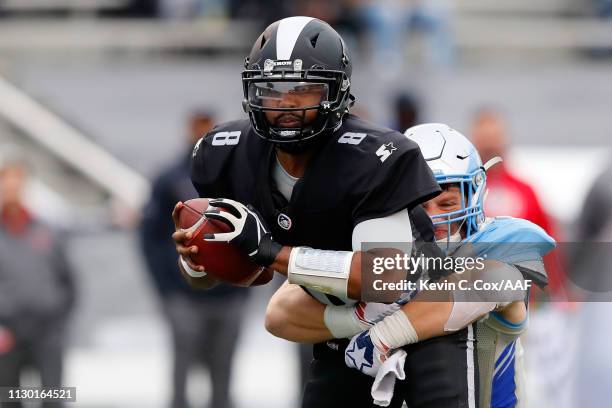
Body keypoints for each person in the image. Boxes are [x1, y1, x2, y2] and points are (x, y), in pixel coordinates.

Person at [172, 17, 477, 408]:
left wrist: (271, 252)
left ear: (337, 91)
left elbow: (382, 278)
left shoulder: (374, 156)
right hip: (340, 340)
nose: (286, 104)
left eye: (303, 89)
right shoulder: (226, 153)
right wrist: (199, 261)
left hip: (424, 330)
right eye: (272, 89)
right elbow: (246, 273)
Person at [266, 123, 555, 407]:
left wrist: (381, 334)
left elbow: (479, 287)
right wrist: (359, 317)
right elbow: (279, 314)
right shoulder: (383, 254)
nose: (432, 219)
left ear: (474, 195)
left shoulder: (500, 248)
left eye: (447, 204)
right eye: (418, 206)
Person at [140, 111, 247, 408]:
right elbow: (149, 236)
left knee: (224, 371)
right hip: (184, 296)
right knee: (182, 369)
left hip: (228, 295)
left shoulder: (236, 176)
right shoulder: (169, 178)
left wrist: (244, 284)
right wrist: (166, 288)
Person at [0, 148, 76, 407]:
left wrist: (59, 327)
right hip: (7, 334)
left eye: (16, 181)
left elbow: (68, 282)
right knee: (9, 399)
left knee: (53, 397)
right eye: (5, 181)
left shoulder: (47, 231)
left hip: (47, 331)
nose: (10, 188)